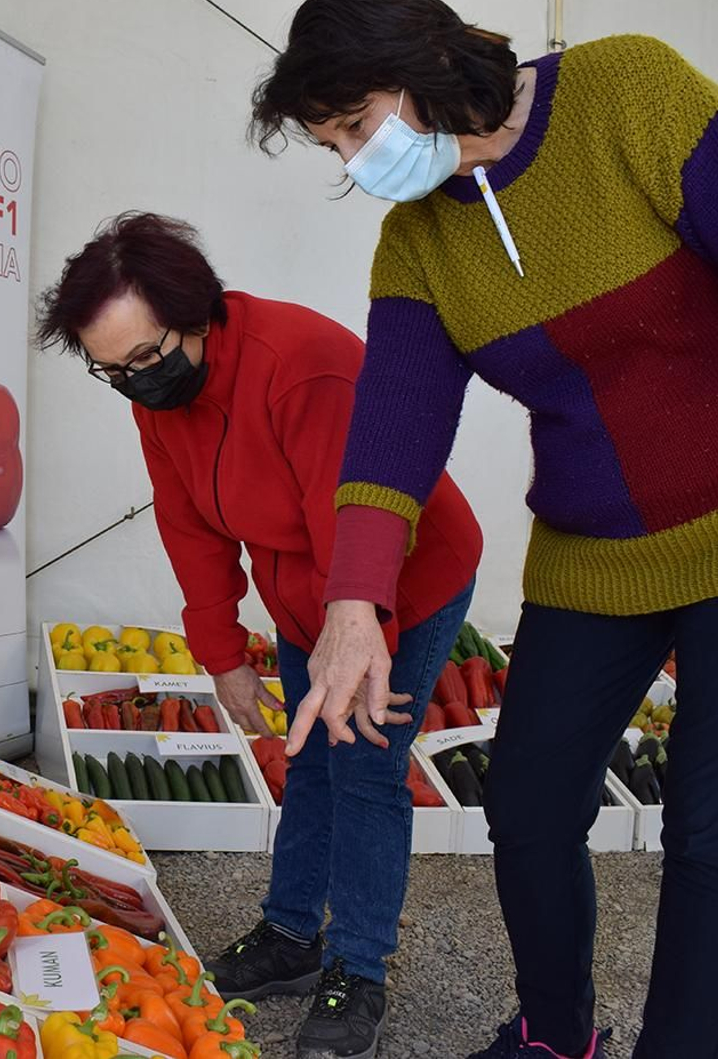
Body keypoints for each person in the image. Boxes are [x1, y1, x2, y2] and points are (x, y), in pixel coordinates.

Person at [250, 0, 718, 1057]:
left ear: (424, 60)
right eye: (333, 147)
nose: (358, 161)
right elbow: (390, 437)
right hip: (591, 555)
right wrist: (353, 604)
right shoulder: (417, 243)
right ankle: (555, 1031)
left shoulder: (628, 89)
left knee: (712, 838)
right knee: (530, 804)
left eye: (356, 125)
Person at [36, 211, 482, 1059]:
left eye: (146, 358)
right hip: (300, 594)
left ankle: (358, 970)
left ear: (198, 315)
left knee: (364, 769)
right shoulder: (158, 395)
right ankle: (289, 939)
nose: (137, 381)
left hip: (399, 579)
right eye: (112, 370)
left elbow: (352, 523)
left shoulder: (300, 368)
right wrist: (222, 656)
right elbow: (190, 528)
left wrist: (352, 646)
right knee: (306, 763)